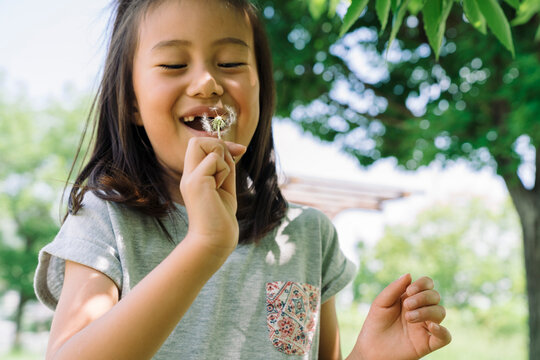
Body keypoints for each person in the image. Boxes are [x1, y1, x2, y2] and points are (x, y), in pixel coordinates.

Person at [34, 0, 451, 359]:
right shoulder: (104, 221)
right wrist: (205, 246)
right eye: (174, 64)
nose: (208, 83)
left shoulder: (308, 237)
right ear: (132, 103)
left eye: (231, 63)